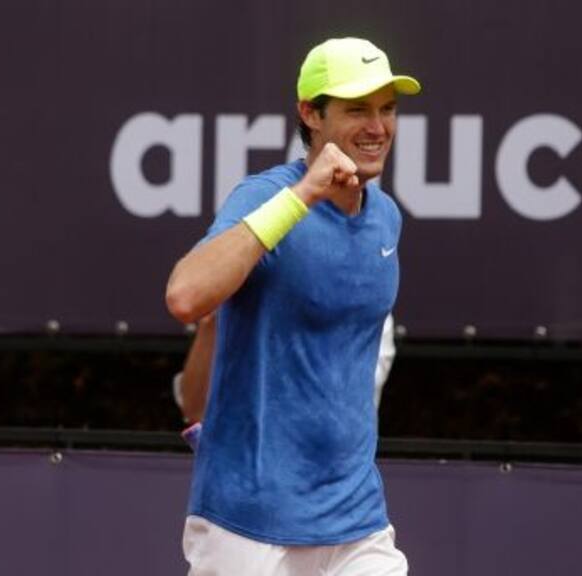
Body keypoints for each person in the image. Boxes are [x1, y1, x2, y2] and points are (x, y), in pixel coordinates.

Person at [165, 37, 420, 576]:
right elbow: (185, 296)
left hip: (356, 520)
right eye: (357, 110)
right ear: (311, 114)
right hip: (248, 521)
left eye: (387, 109)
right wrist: (304, 195)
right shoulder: (267, 197)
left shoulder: (387, 218)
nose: (378, 127)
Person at [173, 313, 397, 426]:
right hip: (234, 498)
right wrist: (213, 322)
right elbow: (195, 409)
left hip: (332, 497)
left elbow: (333, 408)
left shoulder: (367, 303)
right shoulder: (241, 301)